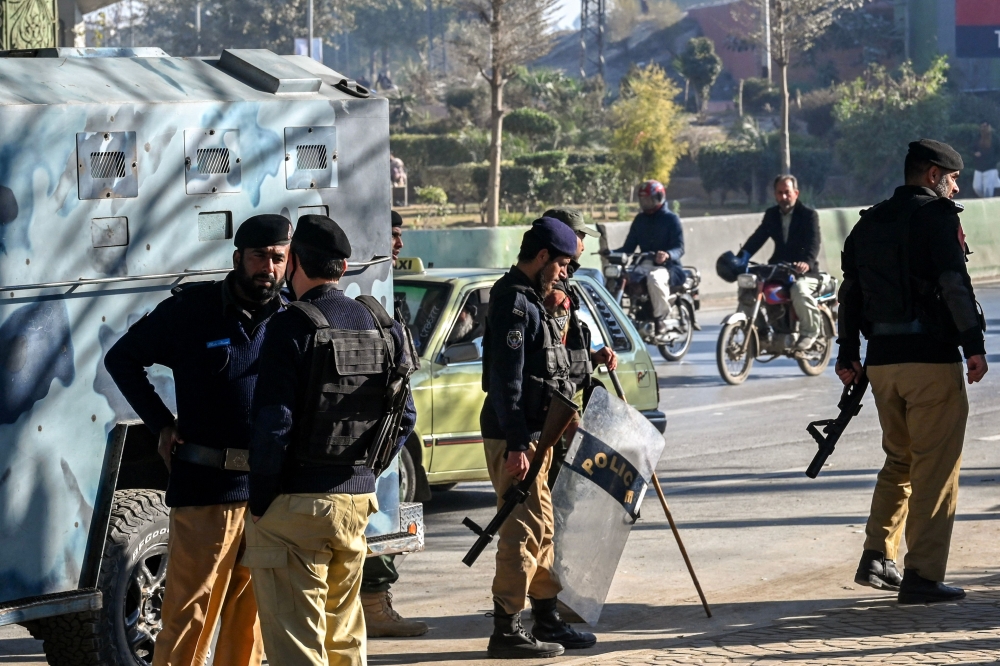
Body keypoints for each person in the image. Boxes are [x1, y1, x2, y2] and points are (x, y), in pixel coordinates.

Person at [104, 214, 293, 666]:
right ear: (237, 259)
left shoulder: (295, 318)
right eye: (259, 257)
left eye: (278, 258)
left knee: (250, 620)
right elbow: (122, 359)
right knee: (190, 614)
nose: (268, 267)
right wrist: (161, 423)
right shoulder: (191, 310)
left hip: (269, 495)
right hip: (207, 488)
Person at [244, 215, 417, 664]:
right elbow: (405, 417)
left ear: (295, 260)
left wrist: (261, 500)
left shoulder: (292, 326)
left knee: (297, 645)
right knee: (344, 639)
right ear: (341, 267)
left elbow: (273, 423)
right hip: (356, 503)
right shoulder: (381, 324)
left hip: (295, 507)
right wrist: (367, 472)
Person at [837, 139, 988, 604]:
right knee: (935, 467)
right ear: (931, 175)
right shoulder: (938, 218)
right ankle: (923, 574)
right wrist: (974, 346)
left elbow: (851, 295)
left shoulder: (868, 223)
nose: (956, 185)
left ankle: (877, 556)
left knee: (899, 460)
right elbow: (953, 283)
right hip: (931, 361)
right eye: (953, 177)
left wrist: (848, 354)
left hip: (882, 365)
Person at [480, 218, 598, 659]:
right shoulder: (514, 302)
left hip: (536, 436)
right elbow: (506, 381)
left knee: (542, 528)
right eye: (563, 263)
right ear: (543, 257)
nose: (565, 273)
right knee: (521, 531)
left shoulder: (535, 300)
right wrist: (516, 444)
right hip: (517, 437)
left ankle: (547, 617)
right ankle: (506, 628)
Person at [360, 209, 429, 638]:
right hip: (367, 438)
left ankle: (376, 602)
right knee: (378, 518)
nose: (398, 244)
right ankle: (373, 604)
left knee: (389, 515)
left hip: (386, 436)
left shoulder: (383, 291)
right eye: (392, 235)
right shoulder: (361, 292)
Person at [739, 175, 822, 350]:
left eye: (787, 192)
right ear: (774, 194)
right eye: (779, 193)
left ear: (796, 193)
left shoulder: (809, 215)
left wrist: (806, 262)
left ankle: (809, 332)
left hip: (804, 271)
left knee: (798, 290)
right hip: (778, 269)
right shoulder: (771, 215)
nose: (783, 197)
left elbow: (814, 243)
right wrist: (740, 258)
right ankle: (761, 332)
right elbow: (757, 238)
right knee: (748, 286)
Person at [614, 180, 685, 335]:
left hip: (668, 267)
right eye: (643, 200)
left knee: (654, 278)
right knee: (620, 277)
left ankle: (659, 318)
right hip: (642, 264)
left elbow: (679, 248)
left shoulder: (671, 219)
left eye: (648, 199)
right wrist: (610, 252)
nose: (645, 203)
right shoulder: (640, 220)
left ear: (659, 197)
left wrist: (667, 255)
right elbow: (628, 248)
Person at [972, 121, 999, 198]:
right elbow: (972, 149)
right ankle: (984, 199)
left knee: (988, 190)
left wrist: (994, 161)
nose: (984, 128)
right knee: (976, 187)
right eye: (982, 126)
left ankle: (987, 201)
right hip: (979, 167)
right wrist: (975, 153)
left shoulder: (995, 138)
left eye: (986, 126)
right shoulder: (977, 138)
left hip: (990, 167)